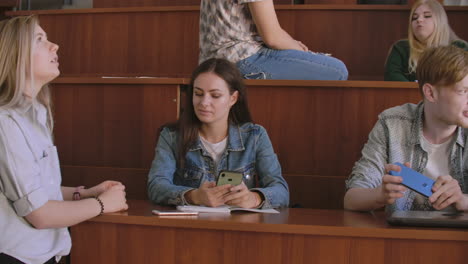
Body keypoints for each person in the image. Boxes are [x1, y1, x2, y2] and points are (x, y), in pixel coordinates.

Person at [0, 16, 128, 264]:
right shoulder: (5, 123)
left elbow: (35, 191)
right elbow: (39, 214)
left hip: (47, 255)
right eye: (40, 40)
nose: (54, 46)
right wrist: (101, 204)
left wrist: (86, 194)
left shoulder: (36, 113)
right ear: (15, 56)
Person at [147, 58, 289, 209]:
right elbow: (156, 187)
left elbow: (281, 191)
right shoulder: (171, 136)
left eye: (215, 95)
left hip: (238, 227)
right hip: (190, 226)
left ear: (233, 98)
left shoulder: (255, 136)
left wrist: (253, 198)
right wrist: (194, 196)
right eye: (198, 93)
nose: (204, 102)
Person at [345, 45, 468, 212]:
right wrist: (379, 195)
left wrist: (462, 200)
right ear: (430, 93)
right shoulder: (391, 124)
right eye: (464, 91)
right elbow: (351, 199)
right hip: (400, 236)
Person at [199, 0, 348, 80]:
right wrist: (304, 52)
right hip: (241, 60)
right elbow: (272, 37)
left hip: (210, 62)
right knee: (337, 70)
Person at [384, 0, 468, 82]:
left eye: (427, 16)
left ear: (440, 20)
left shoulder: (460, 47)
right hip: (409, 95)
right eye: (414, 17)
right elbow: (392, 77)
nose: (419, 20)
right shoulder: (401, 47)